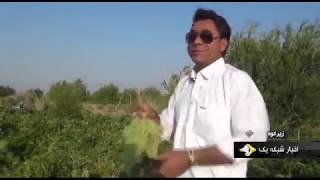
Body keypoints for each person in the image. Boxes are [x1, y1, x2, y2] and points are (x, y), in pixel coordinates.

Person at [133, 8, 270, 178]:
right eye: (191, 36)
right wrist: (153, 120)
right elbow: (167, 126)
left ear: (223, 44)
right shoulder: (184, 84)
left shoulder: (237, 82)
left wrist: (190, 158)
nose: (197, 41)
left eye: (206, 36)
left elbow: (253, 145)